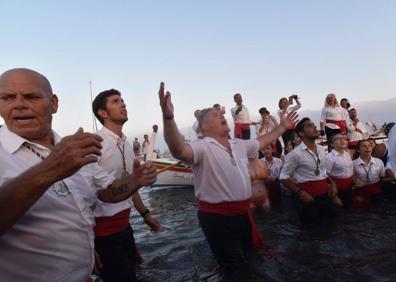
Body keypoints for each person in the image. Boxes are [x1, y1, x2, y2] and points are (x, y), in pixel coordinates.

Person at [0, 68, 157, 281]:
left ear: (54, 103)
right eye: (7, 97)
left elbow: (106, 191)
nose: (18, 104)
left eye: (31, 96)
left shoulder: (74, 148)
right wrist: (50, 169)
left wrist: (136, 180)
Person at [158, 82, 297, 273]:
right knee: (234, 269)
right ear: (204, 126)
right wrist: (168, 117)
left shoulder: (238, 144)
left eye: (222, 114)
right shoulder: (202, 146)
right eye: (216, 115)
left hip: (243, 214)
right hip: (217, 217)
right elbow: (178, 149)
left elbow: (263, 140)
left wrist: (282, 127)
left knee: (251, 259)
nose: (222, 115)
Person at [92, 89, 161, 281]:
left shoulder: (127, 144)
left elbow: (131, 185)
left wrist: (146, 215)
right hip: (103, 233)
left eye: (122, 100)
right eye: (116, 101)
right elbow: (87, 196)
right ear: (103, 113)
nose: (123, 104)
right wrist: (87, 244)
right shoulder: (96, 144)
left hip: (125, 227)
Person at [280, 118, 342, 226]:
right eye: (309, 125)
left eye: (313, 124)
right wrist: (300, 193)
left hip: (325, 195)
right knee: (311, 232)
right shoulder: (295, 154)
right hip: (307, 199)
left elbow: (322, 171)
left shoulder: (321, 149)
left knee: (332, 225)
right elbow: (283, 177)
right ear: (301, 133)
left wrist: (332, 184)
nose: (314, 127)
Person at [325, 134, 354, 208]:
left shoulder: (347, 153)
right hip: (338, 189)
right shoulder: (329, 158)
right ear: (331, 144)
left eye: (343, 138)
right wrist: (334, 196)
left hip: (350, 187)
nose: (342, 140)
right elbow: (325, 175)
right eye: (338, 139)